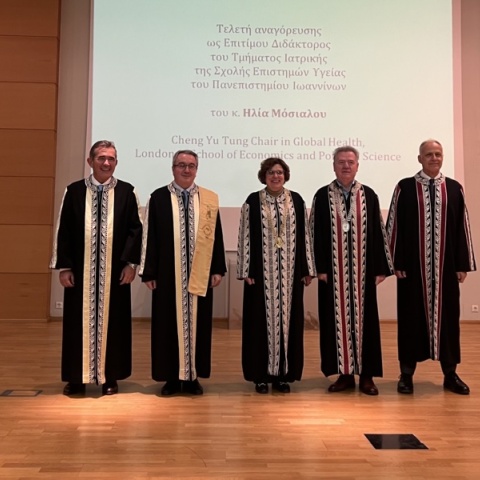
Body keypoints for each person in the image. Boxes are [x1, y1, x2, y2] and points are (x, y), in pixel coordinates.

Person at [50, 140, 142, 396]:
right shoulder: (74, 191)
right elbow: (64, 229)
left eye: (111, 158)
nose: (106, 163)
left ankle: (110, 377)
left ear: (116, 162)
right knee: (76, 325)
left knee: (115, 325)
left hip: (115, 274)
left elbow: (136, 230)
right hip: (80, 274)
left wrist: (130, 264)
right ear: (90, 161)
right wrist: (65, 266)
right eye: (101, 158)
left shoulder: (127, 192)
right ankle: (76, 378)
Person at [387, 139, 476, 395]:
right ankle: (406, 374)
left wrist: (462, 264)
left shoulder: (454, 188)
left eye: (438, 154)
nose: (434, 158)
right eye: (429, 154)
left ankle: (450, 374)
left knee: (448, 321)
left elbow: (462, 227)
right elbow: (394, 225)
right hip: (412, 271)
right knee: (410, 320)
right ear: (420, 159)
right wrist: (396, 261)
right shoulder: (405, 187)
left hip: (446, 269)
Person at [140, 149, 226, 396]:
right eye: (181, 165)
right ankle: (170, 377)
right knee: (167, 326)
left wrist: (217, 268)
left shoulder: (208, 199)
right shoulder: (158, 197)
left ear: (197, 169)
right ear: (173, 168)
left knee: (199, 326)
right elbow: (149, 236)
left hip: (200, 274)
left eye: (191, 166)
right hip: (168, 275)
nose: (186, 170)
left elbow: (216, 235)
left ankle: (192, 377)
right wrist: (149, 272)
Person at [310, 146, 393, 395]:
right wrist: (319, 268)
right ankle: (344, 375)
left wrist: (381, 268)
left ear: (357, 166)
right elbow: (314, 233)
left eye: (350, 162)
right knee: (334, 324)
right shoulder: (322, 195)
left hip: (363, 273)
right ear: (333, 166)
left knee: (366, 325)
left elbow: (379, 231)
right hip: (332, 274)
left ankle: (367, 376)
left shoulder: (369, 194)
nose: (346, 166)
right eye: (341, 162)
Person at [237, 158, 315, 394]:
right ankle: (260, 376)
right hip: (260, 277)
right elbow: (244, 235)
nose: (276, 176)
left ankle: (283, 376)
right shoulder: (253, 201)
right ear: (264, 175)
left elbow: (305, 235)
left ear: (285, 175)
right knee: (258, 326)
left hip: (290, 276)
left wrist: (307, 268)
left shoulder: (297, 200)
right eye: (271, 172)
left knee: (289, 326)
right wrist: (246, 269)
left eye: (280, 172)